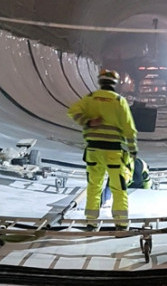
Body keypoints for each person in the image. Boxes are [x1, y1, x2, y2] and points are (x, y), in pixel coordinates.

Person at [67, 69, 138, 230]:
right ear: (115, 83)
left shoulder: (90, 98)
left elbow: (72, 111)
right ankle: (121, 223)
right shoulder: (119, 101)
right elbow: (129, 129)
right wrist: (133, 150)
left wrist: (88, 121)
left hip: (93, 151)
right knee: (118, 187)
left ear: (100, 81)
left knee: (94, 186)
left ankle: (91, 222)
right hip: (113, 153)